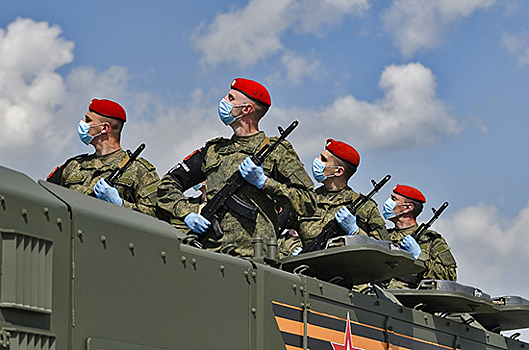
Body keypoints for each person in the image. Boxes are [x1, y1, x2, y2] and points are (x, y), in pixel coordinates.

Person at [156, 78, 316, 257]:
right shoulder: (213, 150)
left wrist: (264, 182)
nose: (224, 101)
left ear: (246, 109)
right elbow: (167, 184)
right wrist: (186, 214)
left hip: (254, 257)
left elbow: (308, 202)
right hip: (208, 253)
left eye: (231, 98)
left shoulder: (277, 151)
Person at [47, 98, 159, 216]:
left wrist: (120, 204)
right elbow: (46, 196)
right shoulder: (73, 166)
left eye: (88, 120)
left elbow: (155, 215)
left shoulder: (138, 169)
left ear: (104, 128)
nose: (83, 122)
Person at [278, 139, 388, 258]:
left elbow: (383, 249)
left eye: (323, 159)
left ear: (339, 171)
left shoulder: (365, 207)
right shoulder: (307, 199)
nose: (317, 161)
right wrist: (292, 248)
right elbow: (276, 229)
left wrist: (355, 232)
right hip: (302, 269)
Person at [382, 184, 457, 289]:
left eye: (394, 199)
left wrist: (419, 256)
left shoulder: (431, 240)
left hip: (409, 300)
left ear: (408, 207)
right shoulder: (383, 236)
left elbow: (450, 276)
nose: (388, 202)